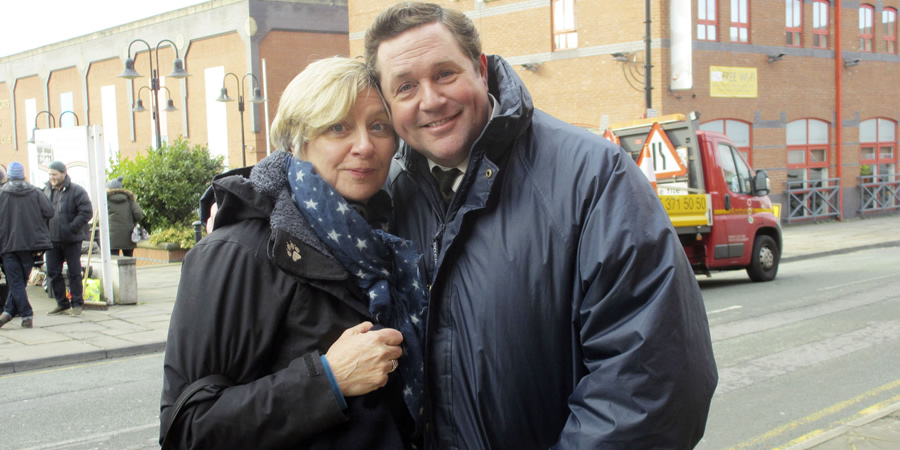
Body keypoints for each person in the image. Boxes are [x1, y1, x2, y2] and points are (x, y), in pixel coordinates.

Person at [364, 3, 718, 448]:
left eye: (445, 74)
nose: (430, 100)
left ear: (480, 68)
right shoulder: (385, 198)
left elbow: (654, 380)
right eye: (406, 86)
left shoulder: (593, 176)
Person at [160, 56, 428, 449]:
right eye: (338, 127)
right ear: (295, 141)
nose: (365, 146)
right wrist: (328, 379)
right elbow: (186, 429)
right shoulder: (239, 250)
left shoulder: (385, 241)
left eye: (378, 126)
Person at [0, 162, 54, 329]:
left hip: (8, 244)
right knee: (21, 280)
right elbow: (50, 212)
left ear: (8, 175)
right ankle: (9, 312)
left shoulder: (1, 193)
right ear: (23, 175)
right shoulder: (35, 192)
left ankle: (25, 313)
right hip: (31, 244)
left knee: (16, 281)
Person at [42, 161, 93, 317]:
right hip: (52, 240)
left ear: (63, 174)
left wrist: (72, 227)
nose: (52, 178)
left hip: (71, 239)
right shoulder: (47, 191)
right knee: (52, 272)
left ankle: (77, 303)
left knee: (74, 272)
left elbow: (86, 212)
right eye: (50, 175)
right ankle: (62, 303)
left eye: (54, 174)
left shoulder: (76, 191)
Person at [105, 176, 144, 257]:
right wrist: (133, 222)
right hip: (128, 235)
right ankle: (130, 270)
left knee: (114, 260)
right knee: (129, 260)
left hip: (112, 237)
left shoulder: (106, 200)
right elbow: (139, 214)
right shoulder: (129, 199)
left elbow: (99, 220)